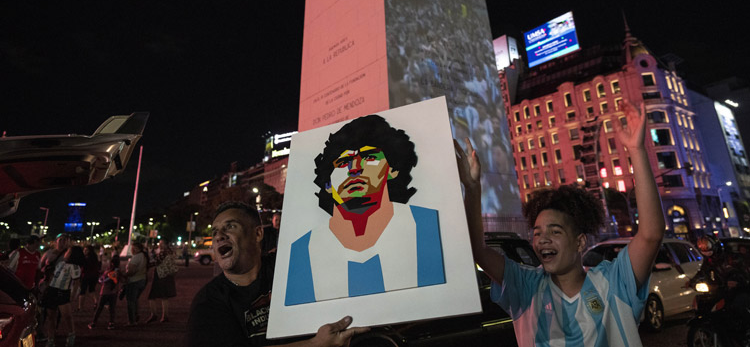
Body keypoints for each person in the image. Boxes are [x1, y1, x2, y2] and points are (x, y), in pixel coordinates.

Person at [457, 100, 665, 346]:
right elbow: (479, 251)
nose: (542, 239)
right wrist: (472, 189)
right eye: (536, 233)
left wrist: (637, 151)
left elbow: (651, 235)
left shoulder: (612, 282)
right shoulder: (526, 287)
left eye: (555, 231)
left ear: (580, 242)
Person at [286, 115, 444, 305]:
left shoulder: (429, 226)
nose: (355, 168)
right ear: (327, 183)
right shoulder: (301, 252)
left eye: (369, 158)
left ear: (392, 169)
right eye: (343, 162)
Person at [187, 201, 369, 347]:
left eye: (230, 227)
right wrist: (315, 344)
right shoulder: (208, 301)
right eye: (215, 231)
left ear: (258, 234)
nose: (219, 236)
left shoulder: (290, 266)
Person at [42, 245, 85, 347]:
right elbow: (54, 276)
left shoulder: (75, 267)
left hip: (63, 292)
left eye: (68, 251)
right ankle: (51, 339)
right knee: (51, 317)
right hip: (52, 290)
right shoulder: (61, 263)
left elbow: (77, 283)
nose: (65, 253)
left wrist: (72, 296)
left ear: (72, 254)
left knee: (67, 317)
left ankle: (71, 336)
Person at [145, 238, 177, 323]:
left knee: (152, 297)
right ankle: (165, 315)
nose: (160, 245)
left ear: (166, 244)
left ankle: (154, 314)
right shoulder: (170, 251)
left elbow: (157, 262)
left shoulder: (163, 252)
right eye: (160, 243)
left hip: (160, 276)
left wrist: (146, 265)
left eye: (162, 243)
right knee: (164, 297)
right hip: (168, 275)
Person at [88, 255, 121, 330]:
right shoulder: (118, 271)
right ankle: (111, 323)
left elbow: (103, 280)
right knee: (112, 309)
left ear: (111, 263)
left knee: (99, 308)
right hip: (113, 292)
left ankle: (94, 322)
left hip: (105, 292)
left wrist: (101, 280)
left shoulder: (110, 271)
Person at [124, 242, 148, 326]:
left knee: (130, 301)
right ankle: (136, 315)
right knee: (135, 300)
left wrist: (124, 275)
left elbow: (131, 271)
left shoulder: (135, 258)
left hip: (134, 281)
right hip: (142, 279)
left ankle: (132, 321)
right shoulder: (143, 256)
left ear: (135, 249)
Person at [77, 245, 101, 310]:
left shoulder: (86, 259)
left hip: (86, 276)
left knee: (82, 291)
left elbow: (82, 267)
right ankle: (96, 301)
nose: (84, 251)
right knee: (91, 290)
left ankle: (80, 307)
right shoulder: (95, 258)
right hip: (94, 276)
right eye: (84, 250)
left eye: (86, 250)